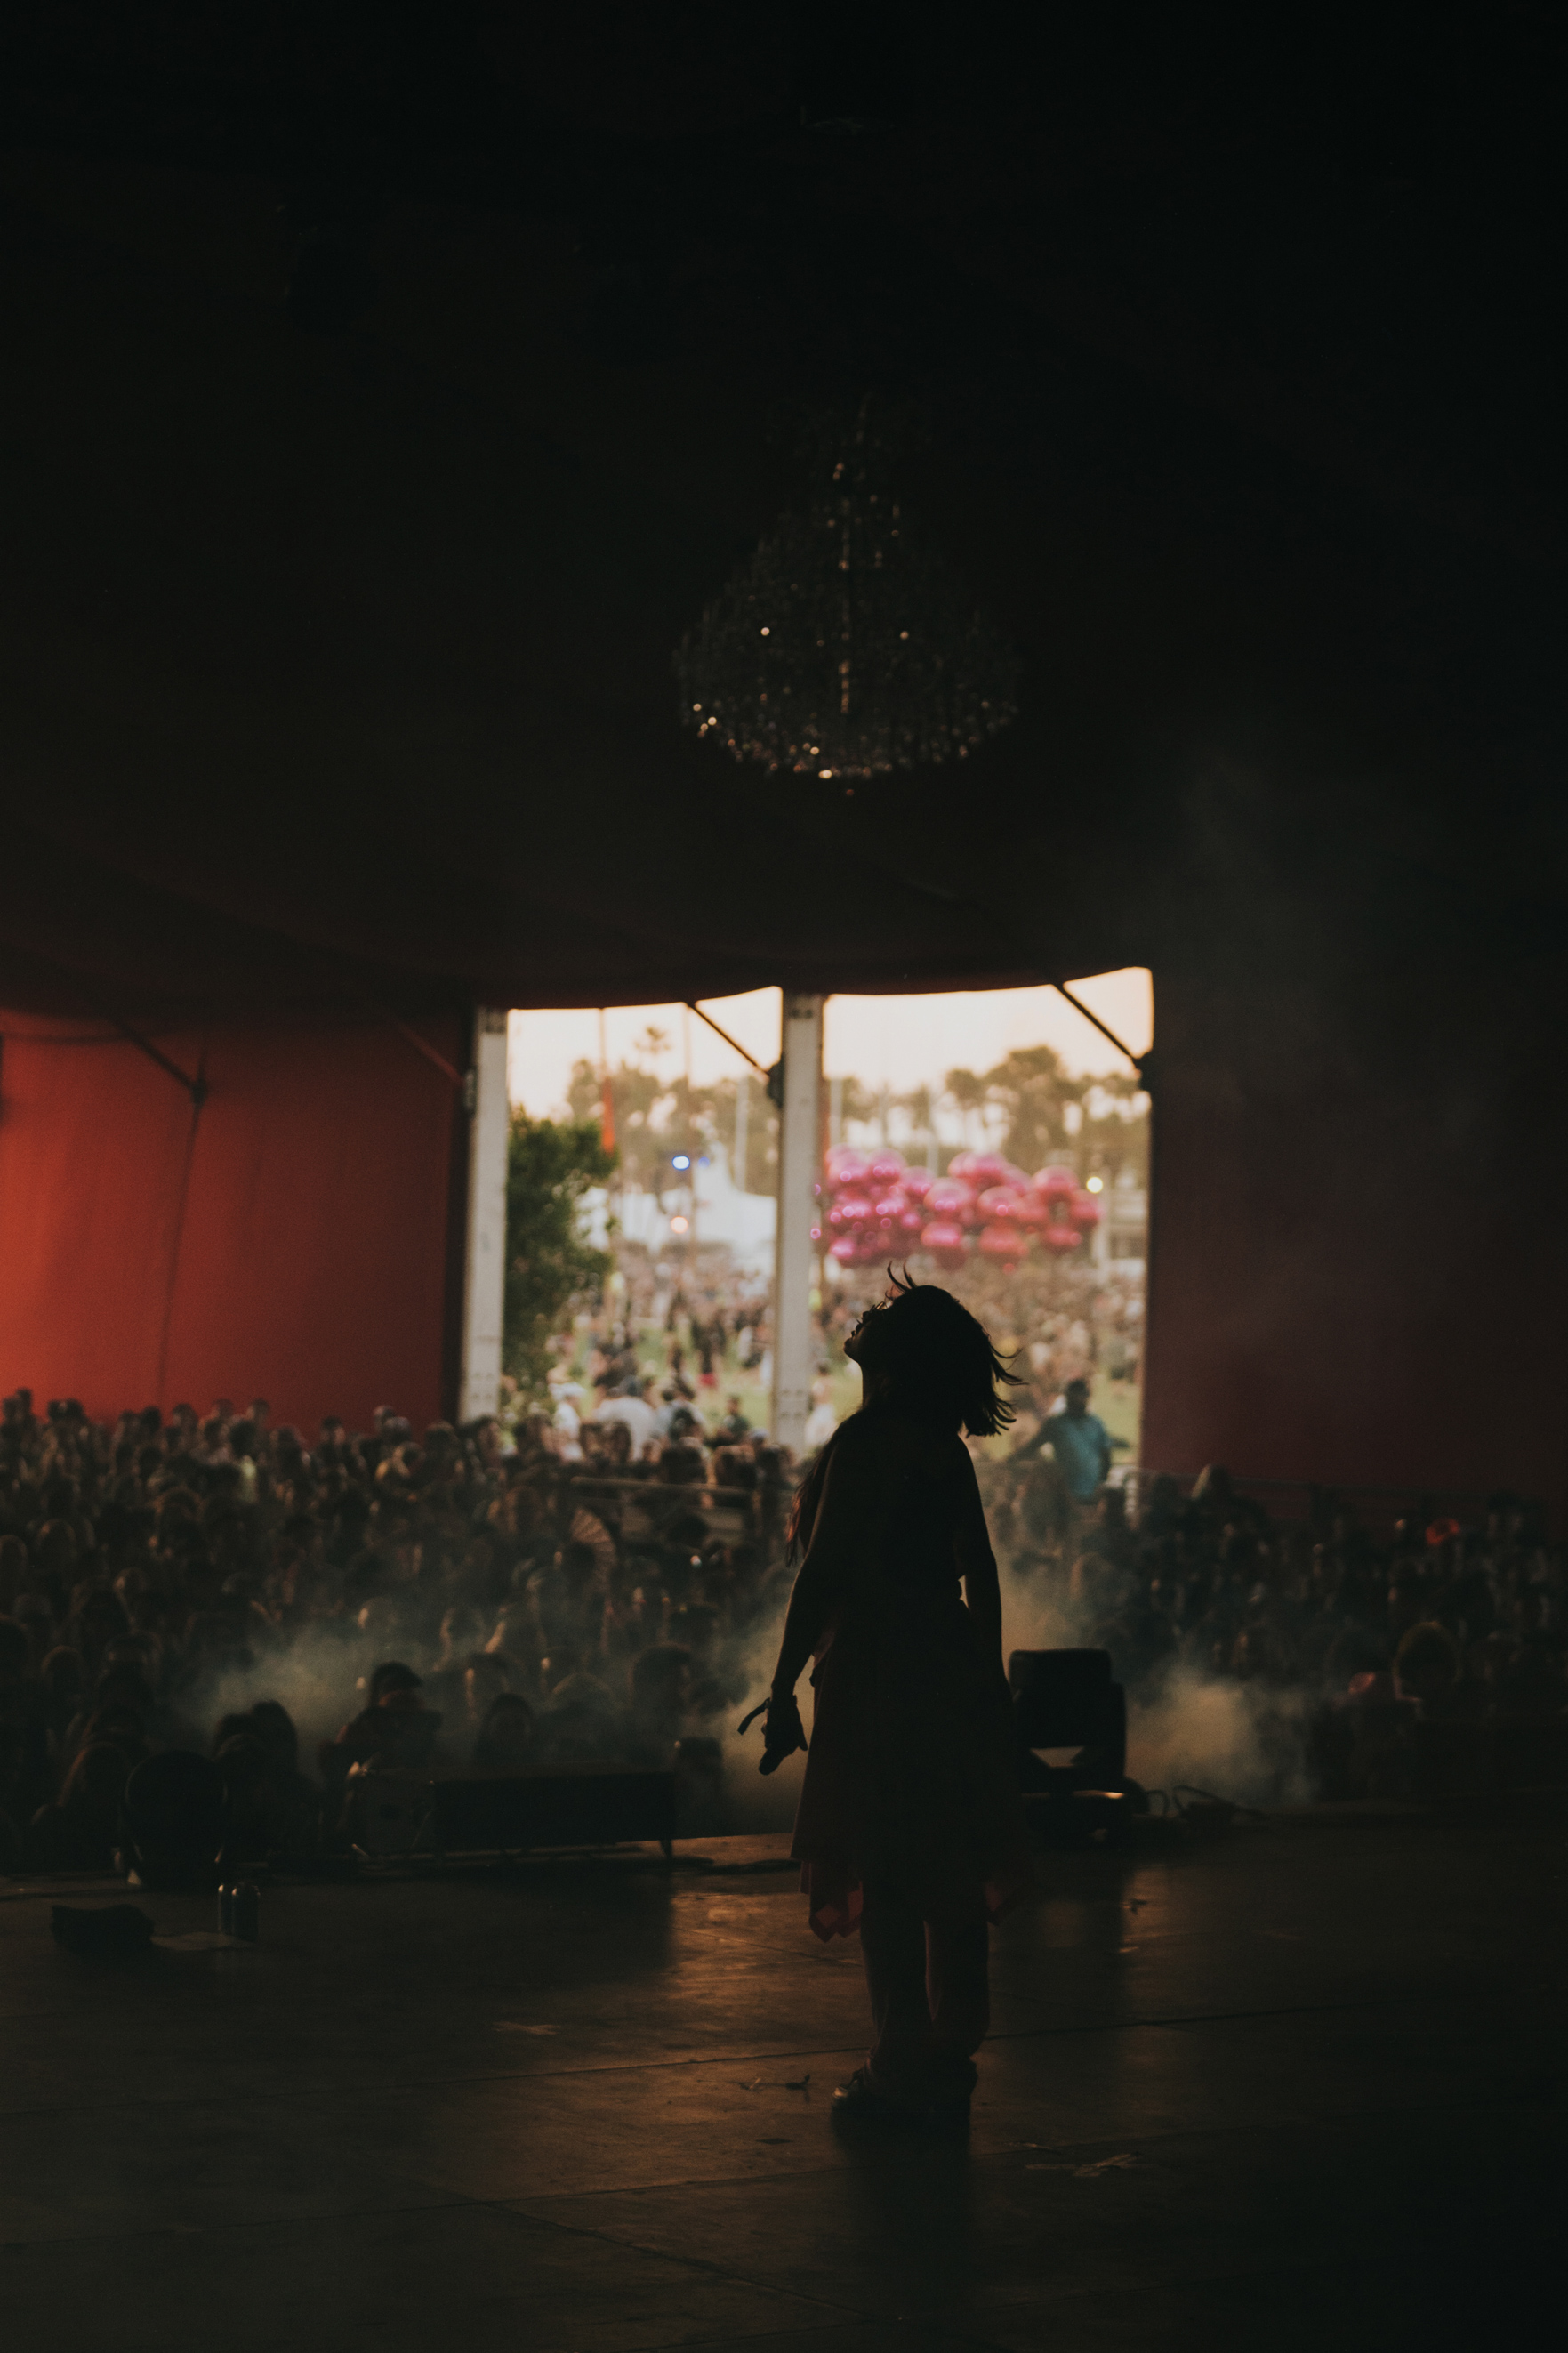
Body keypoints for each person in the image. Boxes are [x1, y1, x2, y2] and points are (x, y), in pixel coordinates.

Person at [754, 1274, 1032, 2127]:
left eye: (881, 1317)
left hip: (874, 1667)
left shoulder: (865, 1443)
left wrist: (780, 1685)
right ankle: (949, 2047)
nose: (863, 1319)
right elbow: (977, 1568)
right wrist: (984, 1676)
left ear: (895, 1357)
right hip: (941, 1661)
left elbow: (824, 1569)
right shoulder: (942, 1452)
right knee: (943, 1864)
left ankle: (897, 2058)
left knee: (886, 1867)